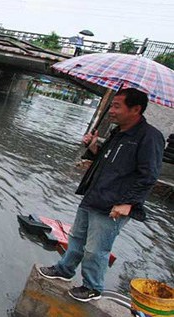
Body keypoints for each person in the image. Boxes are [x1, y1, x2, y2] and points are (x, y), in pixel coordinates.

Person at [38, 88, 165, 302]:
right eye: (112, 105)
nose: (111, 111)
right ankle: (65, 269)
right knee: (76, 239)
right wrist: (93, 146)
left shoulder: (149, 137)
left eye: (117, 106)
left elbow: (149, 176)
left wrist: (128, 204)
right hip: (94, 195)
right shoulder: (118, 132)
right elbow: (106, 162)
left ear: (136, 109)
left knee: (96, 249)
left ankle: (92, 287)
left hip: (114, 205)